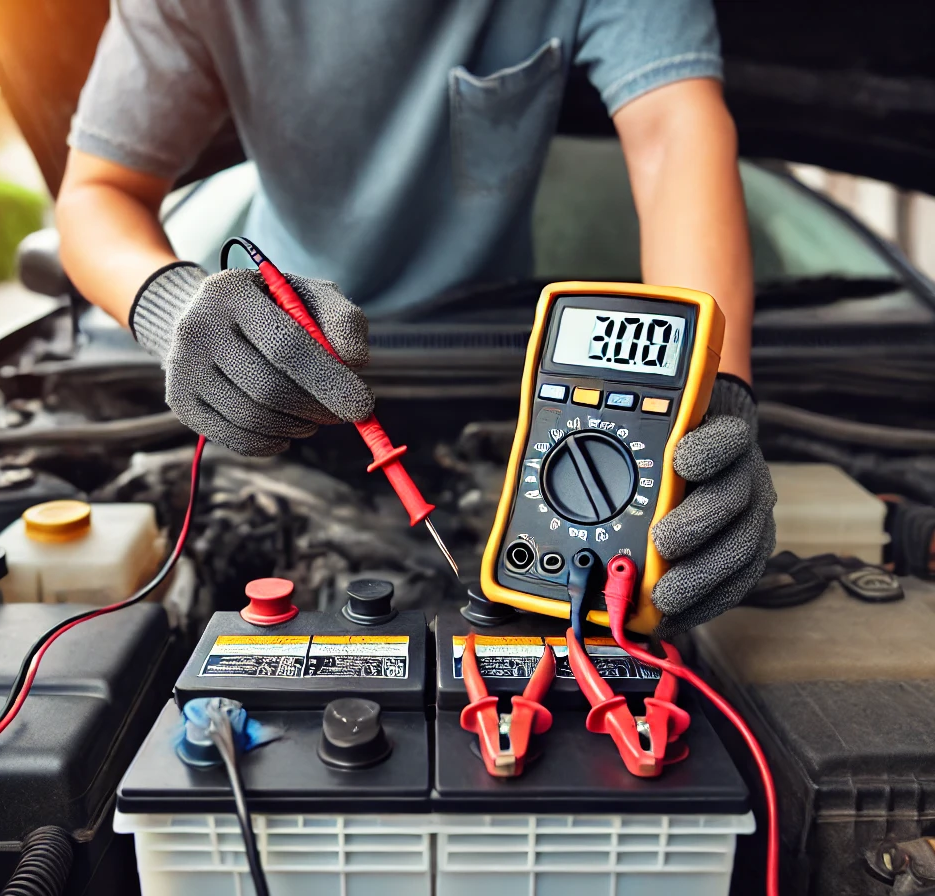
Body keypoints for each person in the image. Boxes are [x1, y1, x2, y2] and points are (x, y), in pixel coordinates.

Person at [56, 0, 775, 635]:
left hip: (504, 365)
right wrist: (168, 301)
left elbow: (674, 134)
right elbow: (97, 191)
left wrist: (716, 396)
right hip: (275, 375)